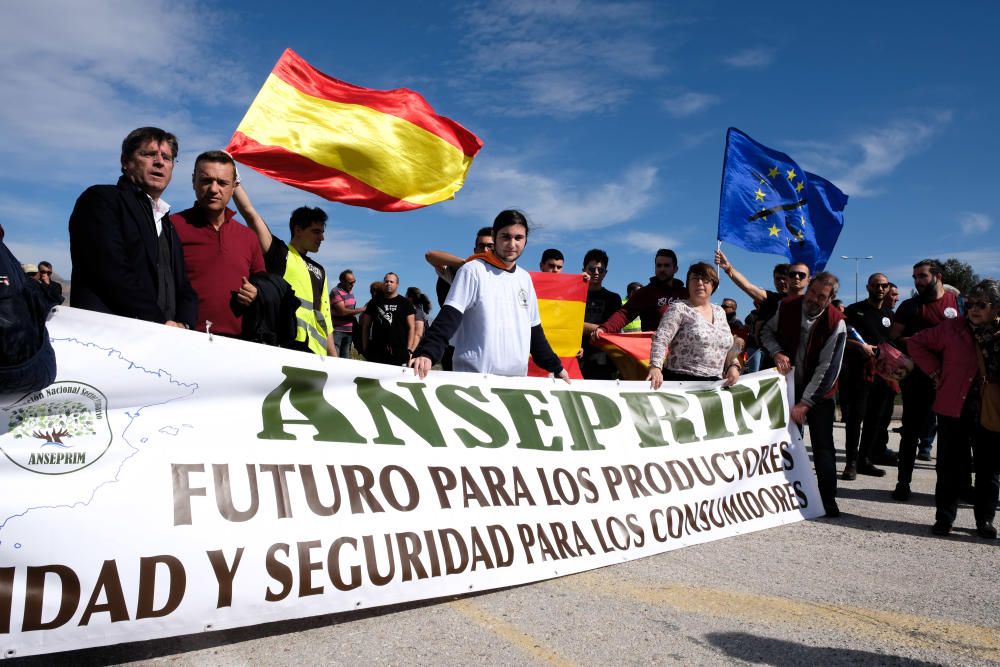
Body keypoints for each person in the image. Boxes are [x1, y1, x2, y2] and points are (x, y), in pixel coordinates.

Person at [410, 210, 568, 380]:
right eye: (505, 237)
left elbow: (535, 334)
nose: (511, 244)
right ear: (494, 236)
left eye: (518, 238)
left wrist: (557, 368)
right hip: (474, 378)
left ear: (526, 240)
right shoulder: (472, 270)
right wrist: (427, 353)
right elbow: (449, 317)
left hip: (516, 383)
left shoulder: (525, 279)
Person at [69, 126, 197, 329]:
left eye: (167, 157)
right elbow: (112, 272)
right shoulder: (101, 200)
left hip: (164, 341)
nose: (159, 162)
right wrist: (159, 322)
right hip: (110, 339)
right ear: (126, 162)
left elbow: (183, 286)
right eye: (149, 154)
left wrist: (185, 324)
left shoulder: (168, 225)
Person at [907, 279, 1000, 539]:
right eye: (970, 304)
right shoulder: (952, 328)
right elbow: (916, 343)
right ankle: (944, 518)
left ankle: (985, 520)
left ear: (996, 308)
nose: (974, 309)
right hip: (952, 407)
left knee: (988, 469)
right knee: (949, 467)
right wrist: (936, 371)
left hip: (990, 411)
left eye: (982, 305)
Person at [761, 272, 847, 518]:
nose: (814, 299)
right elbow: (766, 332)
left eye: (822, 296)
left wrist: (805, 403)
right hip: (787, 388)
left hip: (820, 394)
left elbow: (828, 368)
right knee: (781, 443)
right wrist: (777, 352)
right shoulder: (787, 306)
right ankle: (783, 495)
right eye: (812, 292)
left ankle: (827, 499)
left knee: (823, 447)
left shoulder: (836, 322)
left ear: (829, 299)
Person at [170, 150, 265, 337]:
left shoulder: (248, 237)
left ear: (234, 186)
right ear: (193, 181)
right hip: (182, 339)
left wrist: (256, 293)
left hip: (238, 344)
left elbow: (262, 283)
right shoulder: (171, 226)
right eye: (206, 180)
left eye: (222, 182)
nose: (214, 189)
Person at [888, 259, 961, 501]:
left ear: (937, 276)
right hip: (917, 379)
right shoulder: (909, 307)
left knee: (954, 436)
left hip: (951, 380)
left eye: (922, 276)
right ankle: (903, 482)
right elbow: (894, 338)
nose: (918, 282)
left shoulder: (957, 303)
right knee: (910, 433)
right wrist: (921, 341)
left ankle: (957, 487)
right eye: (915, 278)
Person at [246, 206, 336, 356]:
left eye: (322, 232)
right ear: (298, 230)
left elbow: (325, 317)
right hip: (285, 344)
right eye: (316, 232)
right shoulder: (281, 254)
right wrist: (235, 183)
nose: (322, 238)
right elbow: (252, 217)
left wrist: (333, 356)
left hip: (316, 352)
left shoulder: (320, 271)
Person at [647, 262, 741, 387]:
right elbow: (661, 339)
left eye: (706, 279)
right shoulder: (679, 308)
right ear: (688, 284)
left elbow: (727, 347)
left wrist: (733, 366)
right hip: (681, 383)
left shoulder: (720, 312)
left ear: (713, 285)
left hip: (715, 385)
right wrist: (655, 367)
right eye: (695, 279)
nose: (700, 283)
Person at [840, 273, 895, 480]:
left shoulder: (890, 314)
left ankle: (865, 460)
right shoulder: (855, 311)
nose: (880, 289)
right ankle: (851, 463)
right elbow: (841, 336)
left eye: (884, 286)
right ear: (868, 287)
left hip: (883, 374)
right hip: (859, 373)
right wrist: (860, 346)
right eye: (876, 285)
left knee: (876, 419)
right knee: (855, 418)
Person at [714, 250, 794, 372]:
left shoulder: (805, 303)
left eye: (784, 278)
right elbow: (747, 286)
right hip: (768, 361)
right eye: (777, 279)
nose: (781, 282)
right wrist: (728, 268)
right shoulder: (771, 299)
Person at [592, 248, 687, 337]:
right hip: (654, 349)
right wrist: (604, 329)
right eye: (659, 265)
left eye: (666, 265)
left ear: (675, 269)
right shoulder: (645, 293)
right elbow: (624, 314)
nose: (662, 269)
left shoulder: (686, 294)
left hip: (684, 350)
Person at [580, 249, 622, 380]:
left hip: (603, 362)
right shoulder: (574, 295)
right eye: (592, 269)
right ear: (584, 269)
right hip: (576, 358)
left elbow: (611, 332)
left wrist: (579, 326)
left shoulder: (613, 298)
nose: (596, 273)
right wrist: (598, 328)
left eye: (601, 270)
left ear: (606, 273)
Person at [361, 273, 415, 366]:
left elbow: (412, 327)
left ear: (397, 284)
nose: (388, 283)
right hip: (377, 351)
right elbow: (366, 326)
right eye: (386, 281)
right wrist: (365, 347)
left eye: (391, 281)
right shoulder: (374, 302)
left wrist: (409, 350)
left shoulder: (405, 303)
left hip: (399, 352)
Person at [331, 269, 365, 359]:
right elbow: (342, 311)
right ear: (342, 281)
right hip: (337, 330)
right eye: (350, 282)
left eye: (354, 282)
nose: (352, 284)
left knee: (345, 358)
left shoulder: (350, 291)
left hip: (349, 331)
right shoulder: (336, 292)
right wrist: (363, 309)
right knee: (335, 358)